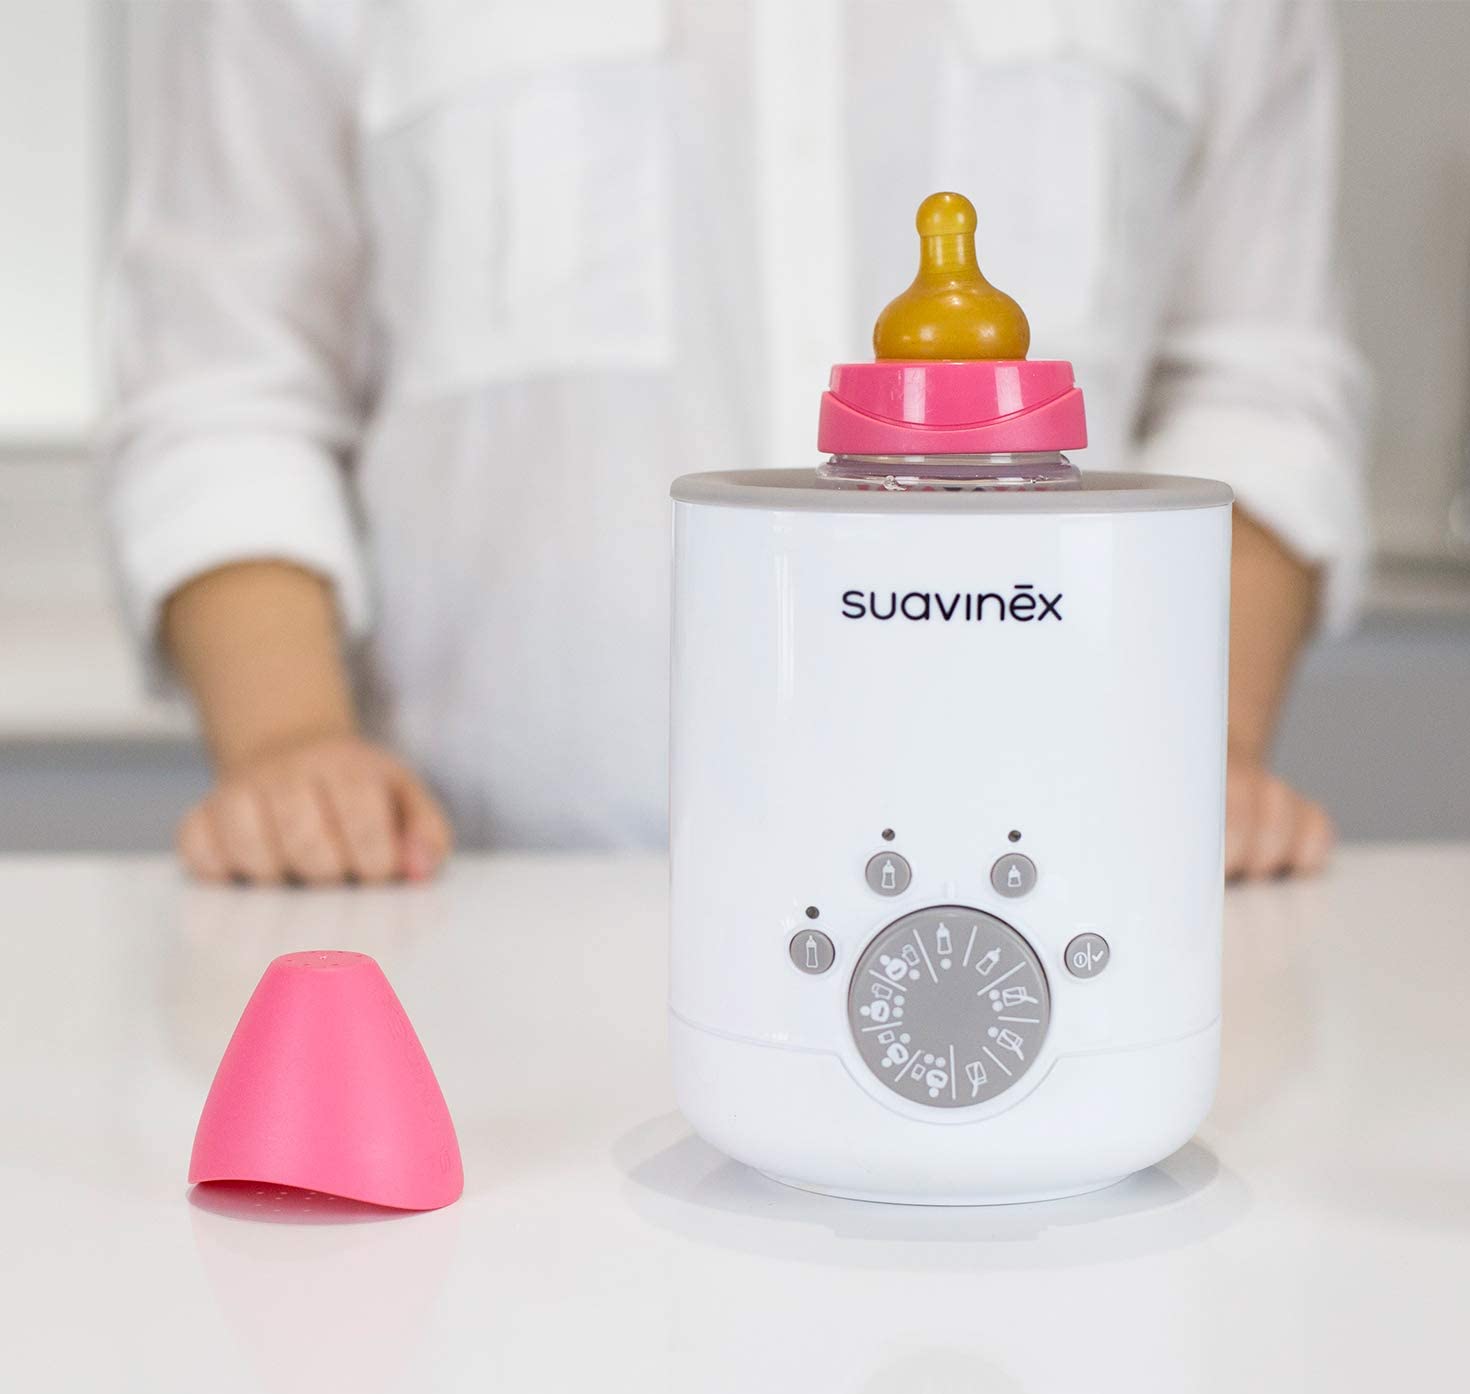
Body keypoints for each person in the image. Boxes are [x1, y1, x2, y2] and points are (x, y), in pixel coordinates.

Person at [104, 0, 1367, 885]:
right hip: (480, 902)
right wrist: (292, 749)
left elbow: (1259, 388)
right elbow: (226, 382)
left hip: (1061, 888)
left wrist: (1206, 757)